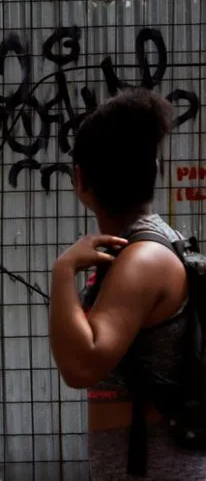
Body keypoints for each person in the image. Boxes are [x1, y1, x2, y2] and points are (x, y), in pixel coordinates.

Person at [48, 88, 206, 479]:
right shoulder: (136, 252)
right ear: (155, 168)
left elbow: (82, 365)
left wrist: (62, 273)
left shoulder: (144, 259)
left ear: (80, 180)